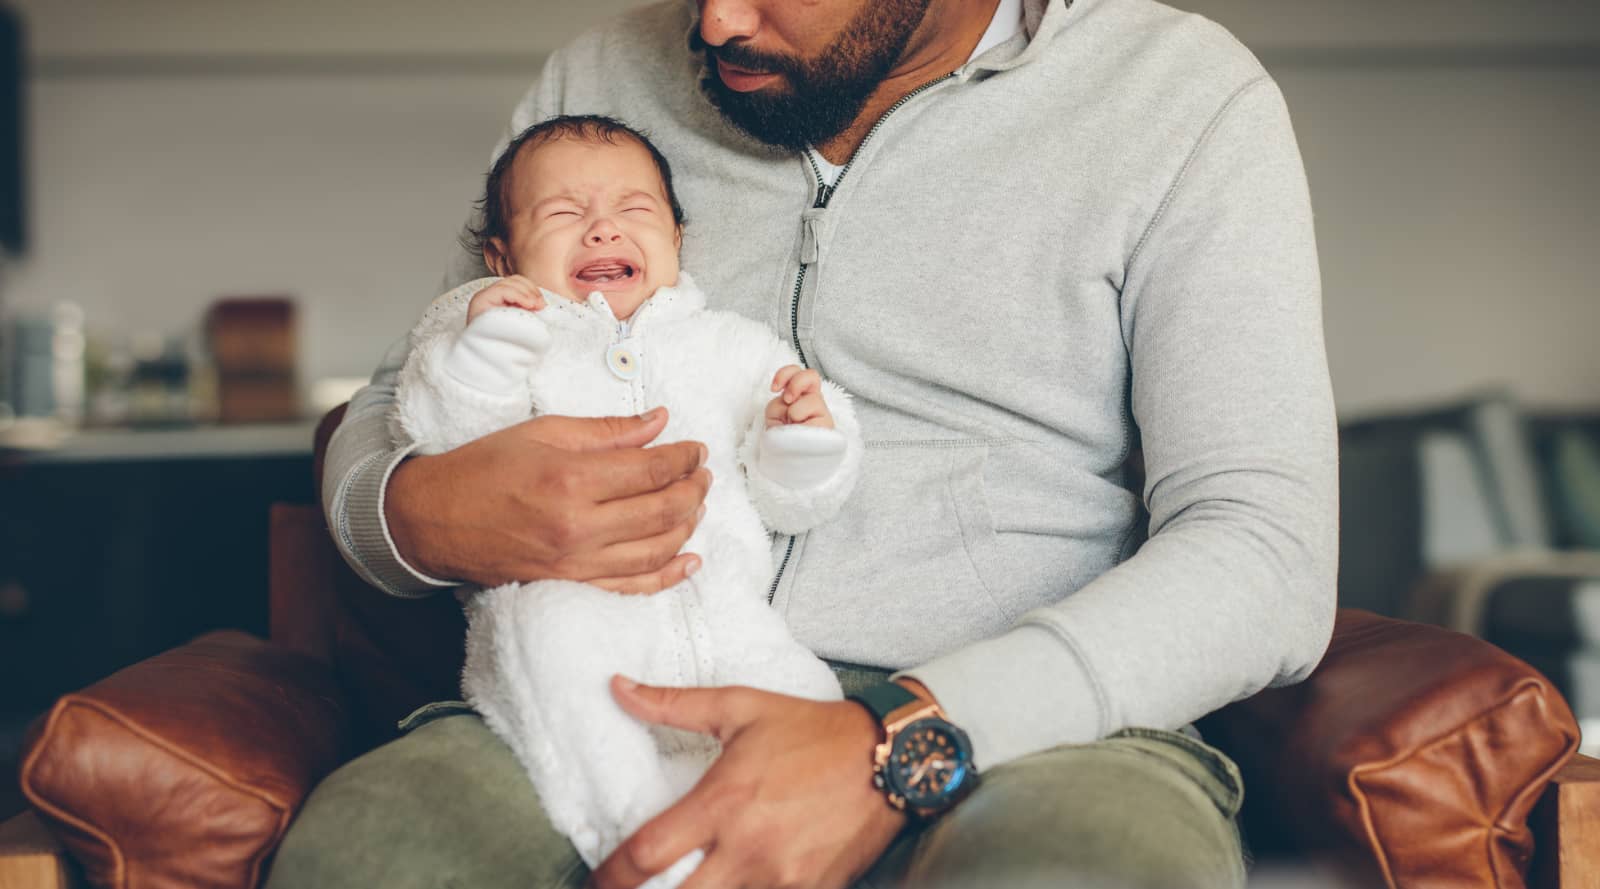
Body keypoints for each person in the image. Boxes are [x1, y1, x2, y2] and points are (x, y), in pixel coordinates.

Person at [271, 0, 1338, 886]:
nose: (715, 23)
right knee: (367, 859)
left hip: (1039, 730)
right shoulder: (602, 77)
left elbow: (1264, 554)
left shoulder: (1177, 97)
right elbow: (404, 389)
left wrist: (895, 739)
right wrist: (409, 513)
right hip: (596, 688)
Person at [391, 114, 859, 888]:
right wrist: (481, 359)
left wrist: (800, 439)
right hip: (574, 609)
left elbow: (792, 500)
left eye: (634, 211)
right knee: (551, 644)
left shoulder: (727, 346)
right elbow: (442, 435)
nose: (603, 229)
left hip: (727, 611)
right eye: (564, 214)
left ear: (676, 240)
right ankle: (646, 846)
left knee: (802, 695)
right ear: (502, 255)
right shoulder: (498, 335)